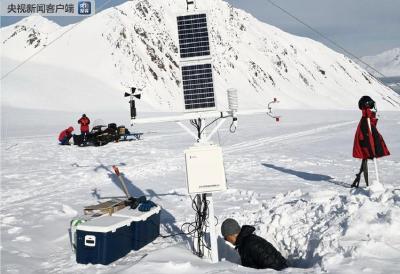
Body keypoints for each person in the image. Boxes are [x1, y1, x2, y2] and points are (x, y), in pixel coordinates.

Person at [351, 96, 390, 188]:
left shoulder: (367, 118)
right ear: (367, 105)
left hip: (367, 146)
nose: (374, 108)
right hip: (366, 147)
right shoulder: (366, 119)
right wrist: (371, 151)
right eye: (372, 105)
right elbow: (367, 137)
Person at [221, 218, 288, 270]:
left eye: (226, 238)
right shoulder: (243, 244)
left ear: (232, 235)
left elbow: (275, 266)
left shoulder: (251, 244)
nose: (227, 241)